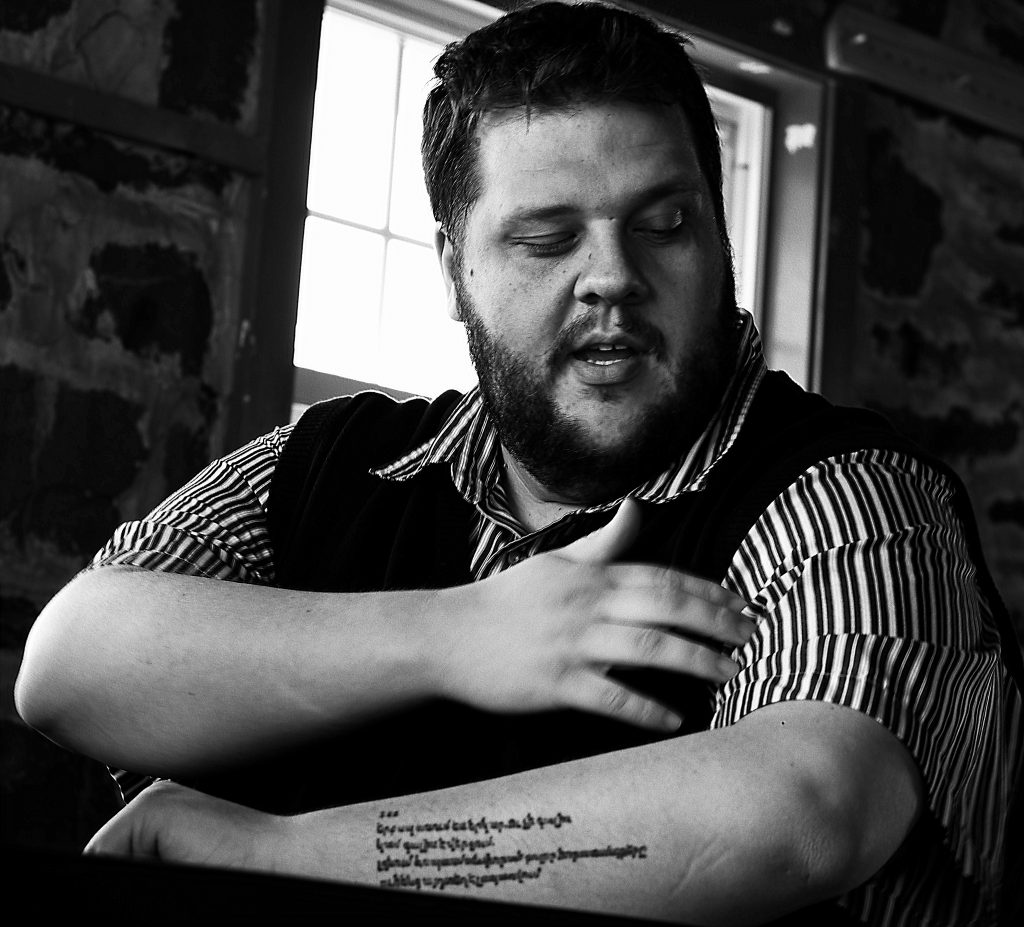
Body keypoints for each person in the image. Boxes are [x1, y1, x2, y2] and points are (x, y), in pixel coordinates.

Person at [14, 2, 1022, 925]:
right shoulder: (335, 461)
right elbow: (69, 668)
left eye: (665, 225)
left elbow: (802, 811)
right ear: (455, 271)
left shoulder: (853, 493)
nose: (614, 280)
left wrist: (278, 855)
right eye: (547, 239)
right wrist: (454, 635)